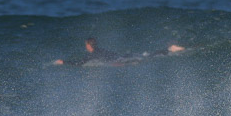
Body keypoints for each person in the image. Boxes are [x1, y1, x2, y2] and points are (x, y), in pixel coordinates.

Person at [54, 38, 185, 66]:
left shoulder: (93, 54)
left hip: (121, 60)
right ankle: (168, 49)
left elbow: (79, 63)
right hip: (122, 56)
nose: (85, 47)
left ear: (89, 46)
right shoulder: (99, 50)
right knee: (147, 55)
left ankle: (169, 50)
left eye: (86, 45)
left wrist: (64, 62)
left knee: (147, 58)